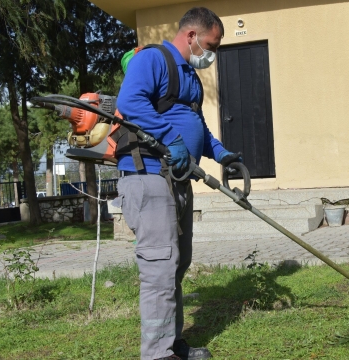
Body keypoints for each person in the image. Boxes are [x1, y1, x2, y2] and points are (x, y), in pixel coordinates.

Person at [115, 7, 240, 360]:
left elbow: (198, 129)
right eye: (211, 45)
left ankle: (171, 343)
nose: (211, 54)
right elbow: (130, 102)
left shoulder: (190, 78)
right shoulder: (153, 60)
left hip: (178, 180)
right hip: (148, 176)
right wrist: (171, 137)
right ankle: (156, 354)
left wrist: (223, 154)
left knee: (177, 263)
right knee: (159, 265)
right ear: (192, 36)